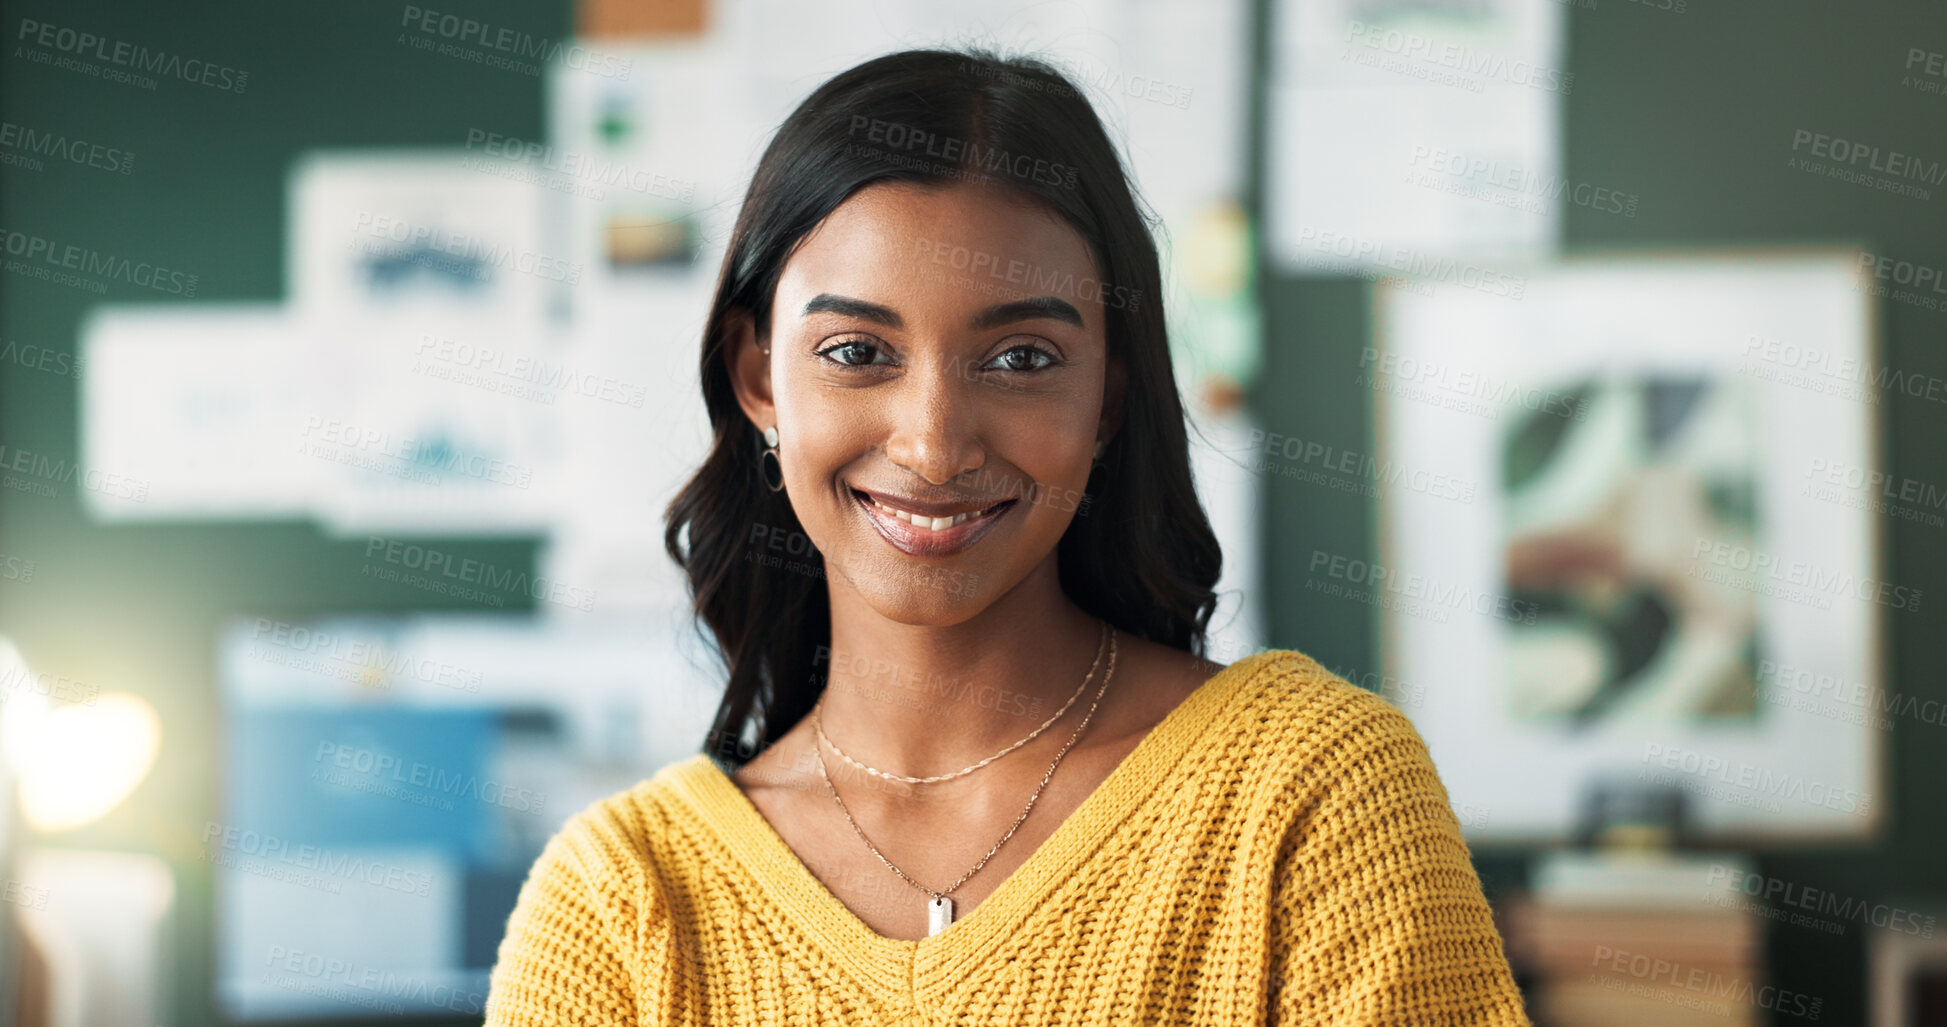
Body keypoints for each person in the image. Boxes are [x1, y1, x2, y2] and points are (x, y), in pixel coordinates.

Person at [484, 47, 1531, 1026]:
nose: (934, 443)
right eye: (857, 349)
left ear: (1109, 394)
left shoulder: (1310, 796)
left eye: (1022, 358)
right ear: (760, 378)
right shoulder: (621, 905)